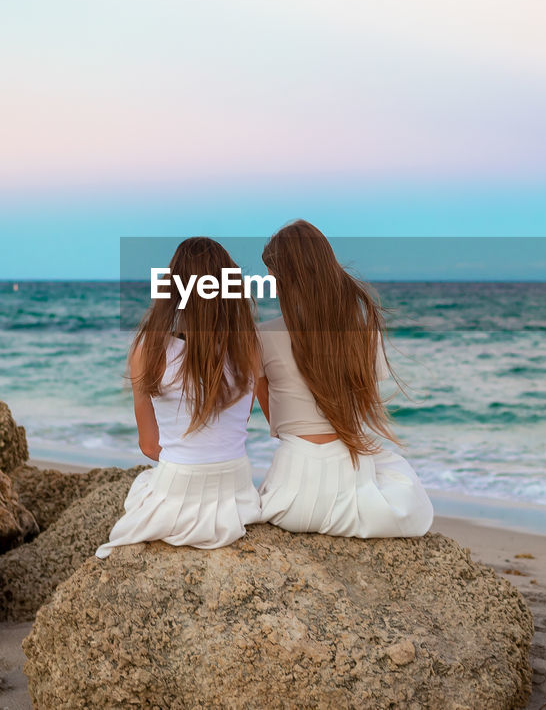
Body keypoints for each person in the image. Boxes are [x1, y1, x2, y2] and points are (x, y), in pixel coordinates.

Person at [254, 219, 433, 537]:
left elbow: (275, 420)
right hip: (351, 481)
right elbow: (359, 404)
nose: (272, 285)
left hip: (289, 496)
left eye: (274, 277)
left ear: (289, 278)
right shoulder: (363, 332)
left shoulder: (263, 336)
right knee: (403, 487)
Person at [95, 237, 262, 558]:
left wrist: (188, 460)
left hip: (179, 490)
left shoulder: (149, 351)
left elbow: (149, 446)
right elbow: (234, 429)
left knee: (144, 488)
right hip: (237, 491)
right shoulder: (249, 347)